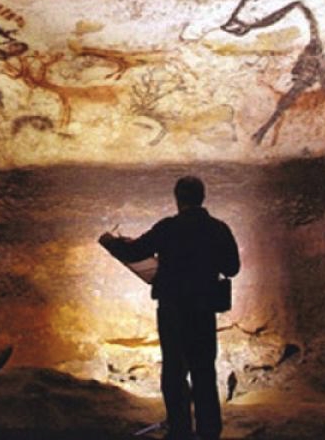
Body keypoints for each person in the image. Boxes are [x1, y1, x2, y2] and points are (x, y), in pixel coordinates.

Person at [100, 175, 241, 440]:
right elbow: (233, 267)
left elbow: (135, 252)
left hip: (173, 309)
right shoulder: (218, 228)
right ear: (202, 197)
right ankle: (209, 431)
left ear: (178, 199)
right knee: (204, 371)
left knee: (175, 372)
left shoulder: (168, 228)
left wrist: (111, 242)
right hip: (203, 310)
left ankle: (180, 430)